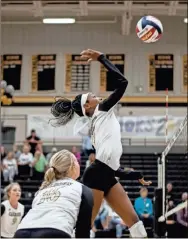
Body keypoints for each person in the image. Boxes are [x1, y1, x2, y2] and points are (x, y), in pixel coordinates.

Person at [50, 49, 151, 238]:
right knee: (84, 229)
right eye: (93, 96)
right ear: (88, 105)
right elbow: (123, 83)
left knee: (136, 224)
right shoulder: (102, 110)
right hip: (96, 175)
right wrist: (101, 58)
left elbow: (112, 167)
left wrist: (136, 174)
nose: (97, 96)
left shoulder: (98, 125)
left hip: (106, 175)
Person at [14, 149, 93, 238]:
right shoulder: (82, 189)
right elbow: (83, 231)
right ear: (73, 166)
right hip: (55, 230)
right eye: (77, 162)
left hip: (22, 230)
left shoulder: (43, 189)